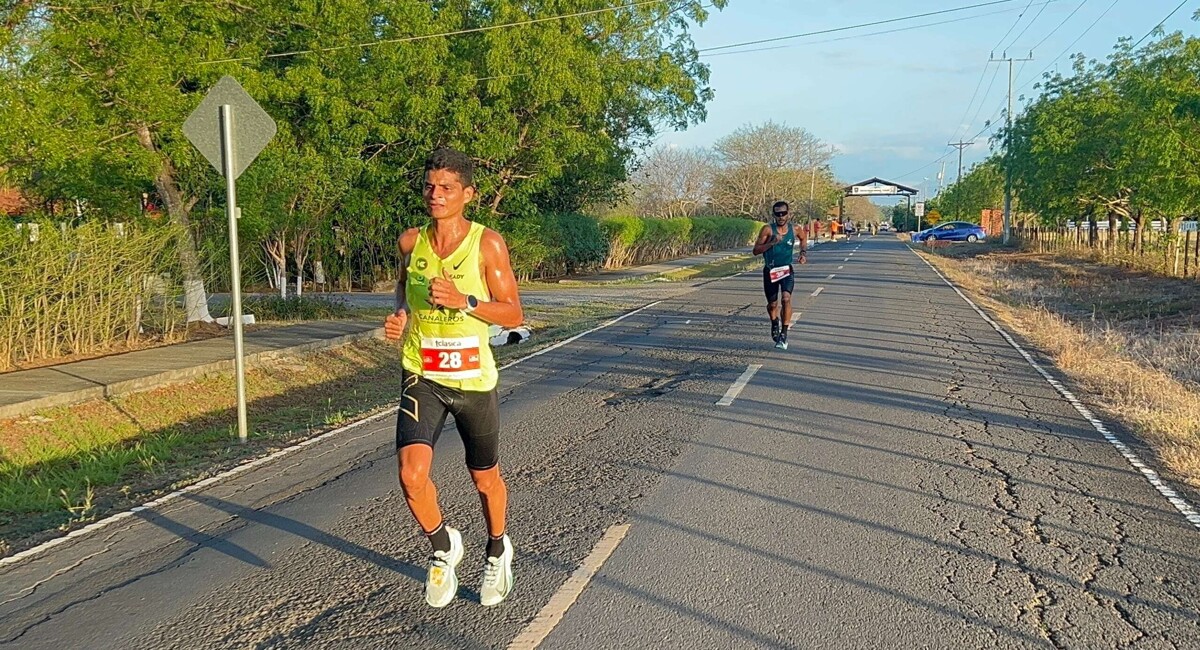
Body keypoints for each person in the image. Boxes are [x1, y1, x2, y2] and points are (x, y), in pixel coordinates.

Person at [383, 148, 523, 609]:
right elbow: (404, 287)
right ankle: (443, 546)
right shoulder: (410, 241)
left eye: (446, 188)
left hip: (473, 380)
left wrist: (464, 302)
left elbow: (513, 313)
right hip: (421, 372)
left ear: (468, 194)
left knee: (484, 479)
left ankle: (497, 548)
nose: (435, 195)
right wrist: (401, 314)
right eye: (429, 186)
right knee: (411, 473)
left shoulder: (488, 244)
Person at [751, 200, 807, 349]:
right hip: (770, 270)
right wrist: (771, 243)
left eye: (784, 213)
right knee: (772, 305)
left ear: (788, 213)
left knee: (786, 298)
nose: (781, 217)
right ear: (774, 215)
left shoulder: (795, 229)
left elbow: (803, 238)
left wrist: (802, 253)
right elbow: (755, 251)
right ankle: (774, 321)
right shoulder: (768, 230)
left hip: (786, 270)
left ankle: (784, 333)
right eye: (778, 214)